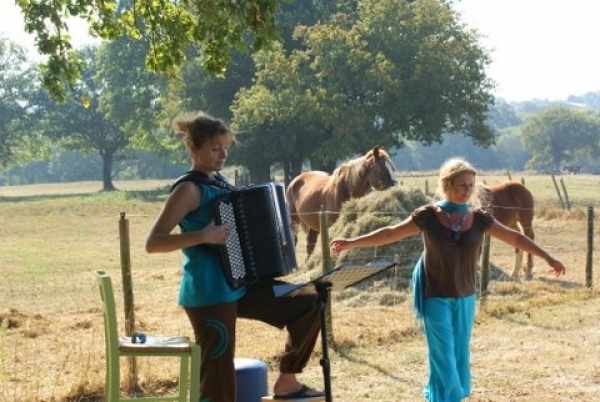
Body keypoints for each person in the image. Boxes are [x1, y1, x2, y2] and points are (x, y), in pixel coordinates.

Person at [329, 158, 566, 402]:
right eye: (461, 185)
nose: (467, 190)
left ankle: (443, 397)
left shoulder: (480, 218)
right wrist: (352, 242)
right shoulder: (428, 216)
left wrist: (548, 258)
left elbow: (515, 238)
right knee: (443, 354)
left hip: (465, 295)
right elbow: (390, 233)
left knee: (459, 353)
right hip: (434, 293)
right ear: (447, 185)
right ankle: (451, 398)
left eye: (470, 185)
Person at [146, 111, 324, 401]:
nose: (223, 153)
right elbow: (153, 242)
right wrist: (203, 235)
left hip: (240, 284)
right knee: (218, 372)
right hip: (210, 292)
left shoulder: (220, 183)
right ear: (195, 148)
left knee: (310, 300)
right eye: (215, 148)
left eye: (225, 147)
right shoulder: (188, 189)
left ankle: (288, 381)